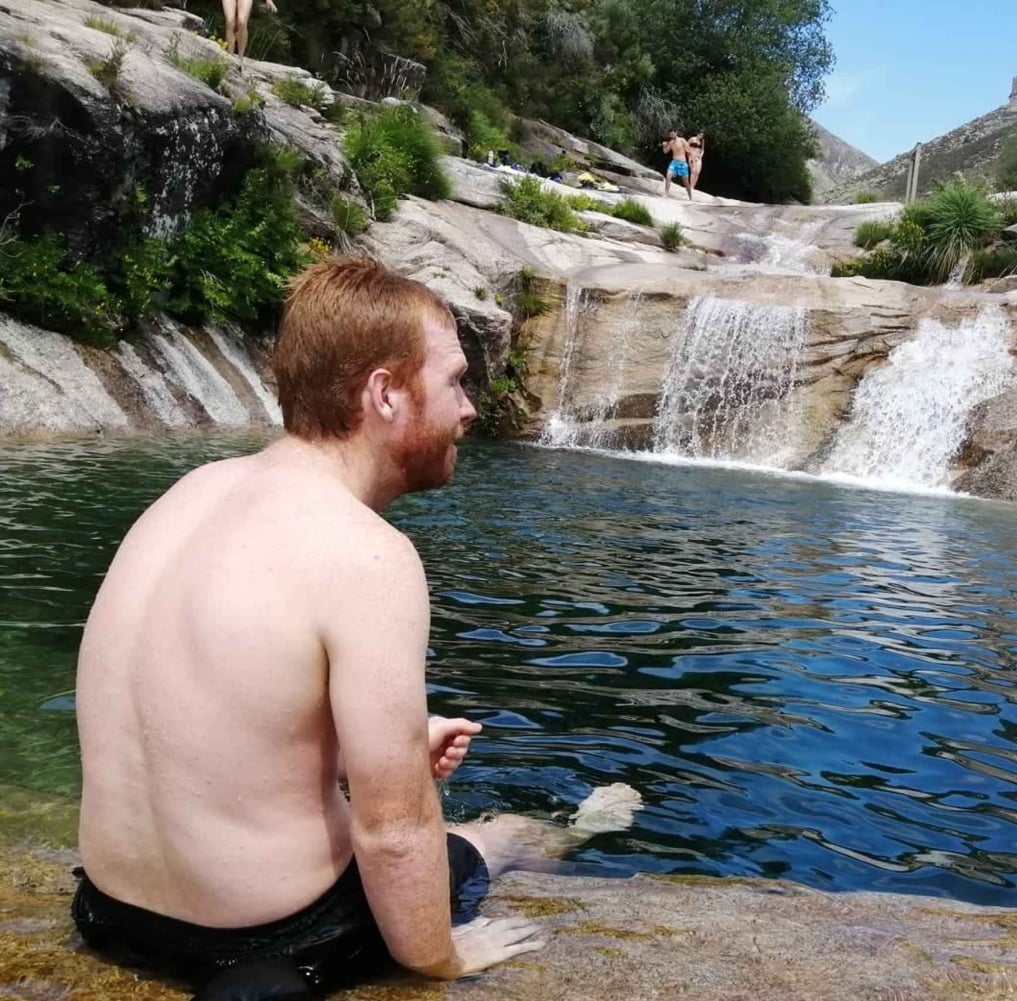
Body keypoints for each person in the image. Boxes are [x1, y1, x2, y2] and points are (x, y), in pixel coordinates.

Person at [70, 256, 644, 1001]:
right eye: (454, 381)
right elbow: (393, 830)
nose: (470, 408)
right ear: (384, 393)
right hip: (262, 936)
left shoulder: (188, 493)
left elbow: (218, 714)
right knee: (488, 838)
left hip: (109, 911)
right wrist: (437, 958)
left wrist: (392, 741)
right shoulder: (367, 554)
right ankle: (580, 824)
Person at [661, 129, 691, 199]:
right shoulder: (671, 142)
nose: (671, 135)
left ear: (676, 133)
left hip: (683, 163)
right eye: (670, 134)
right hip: (674, 162)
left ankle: (690, 196)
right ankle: (666, 194)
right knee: (668, 175)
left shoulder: (682, 140)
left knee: (686, 182)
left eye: (673, 134)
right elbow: (665, 152)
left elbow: (688, 149)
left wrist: (691, 158)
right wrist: (664, 146)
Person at [686, 132, 705, 200]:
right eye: (700, 135)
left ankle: (693, 187)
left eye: (702, 135)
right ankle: (691, 186)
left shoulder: (702, 141)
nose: (701, 136)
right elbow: (686, 146)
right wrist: (689, 155)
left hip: (698, 157)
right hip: (692, 156)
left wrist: (701, 156)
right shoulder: (692, 139)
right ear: (697, 134)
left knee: (697, 172)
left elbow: (702, 150)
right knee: (693, 171)